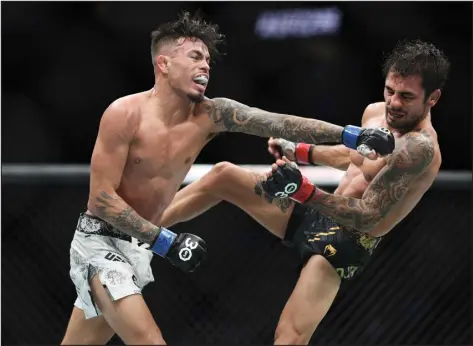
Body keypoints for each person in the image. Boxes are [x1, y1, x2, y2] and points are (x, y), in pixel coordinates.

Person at [60, 11, 394, 345]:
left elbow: (279, 123)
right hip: (100, 243)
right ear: (163, 64)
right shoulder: (124, 114)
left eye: (207, 59)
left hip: (136, 247)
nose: (205, 65)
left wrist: (351, 135)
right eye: (194, 57)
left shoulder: (210, 114)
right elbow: (101, 200)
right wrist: (165, 241)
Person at [159, 39, 450, 344]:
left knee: (290, 337)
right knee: (222, 175)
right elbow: (353, 157)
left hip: (345, 241)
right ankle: (140, 228)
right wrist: (300, 151)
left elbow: (368, 215)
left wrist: (303, 190)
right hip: (316, 210)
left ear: (433, 98)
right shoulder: (376, 114)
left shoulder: (418, 149)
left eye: (406, 96)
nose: (393, 102)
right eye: (390, 90)